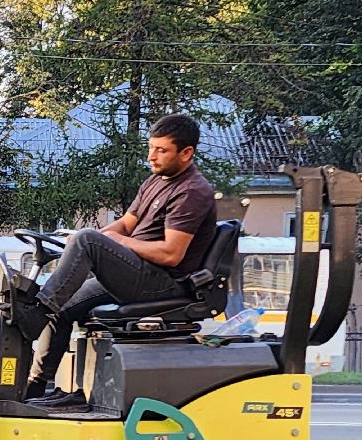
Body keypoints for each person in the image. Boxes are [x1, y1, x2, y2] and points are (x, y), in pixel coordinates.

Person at [15, 112, 218, 405]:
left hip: (163, 282)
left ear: (187, 153)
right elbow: (125, 223)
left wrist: (107, 241)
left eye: (161, 150)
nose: (152, 156)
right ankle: (35, 388)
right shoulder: (155, 181)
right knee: (62, 306)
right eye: (151, 148)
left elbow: (171, 254)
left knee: (86, 241)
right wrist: (96, 239)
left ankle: (36, 314)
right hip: (138, 273)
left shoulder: (192, 192)